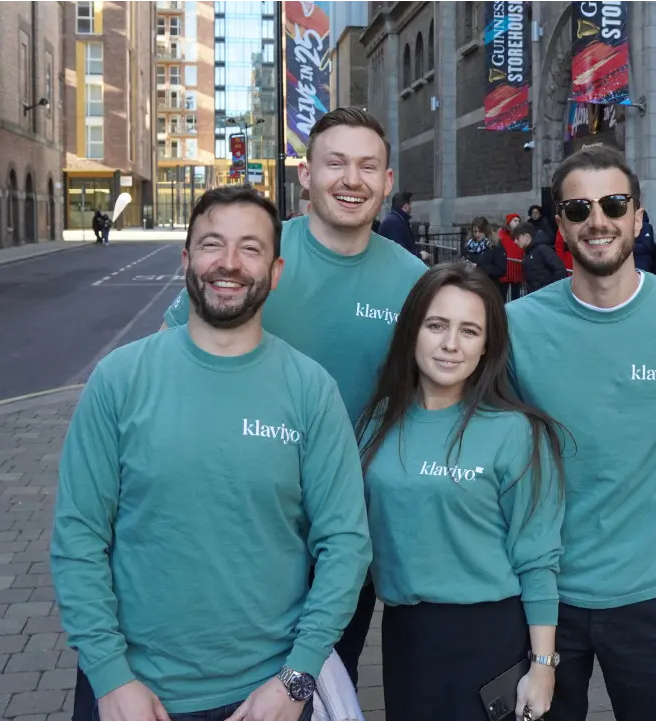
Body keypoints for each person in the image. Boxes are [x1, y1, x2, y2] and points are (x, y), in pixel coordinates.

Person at [52, 185, 371, 721]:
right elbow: (78, 537)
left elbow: (345, 545)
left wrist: (297, 680)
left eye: (250, 248)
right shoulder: (119, 379)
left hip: (264, 695)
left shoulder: (310, 390)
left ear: (275, 271)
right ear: (186, 260)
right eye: (211, 244)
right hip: (131, 694)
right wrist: (109, 677)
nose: (229, 263)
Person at [160, 106, 427, 688]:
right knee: (233, 684)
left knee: (324, 684)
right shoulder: (254, 258)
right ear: (306, 174)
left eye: (367, 167)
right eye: (335, 163)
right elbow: (173, 366)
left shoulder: (414, 281)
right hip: (239, 523)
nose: (351, 180)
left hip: (345, 538)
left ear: (386, 182)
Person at [506, 145, 656, 721]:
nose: (597, 220)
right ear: (560, 224)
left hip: (652, 594)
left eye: (613, 203)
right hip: (544, 595)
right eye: (578, 208)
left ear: (638, 215)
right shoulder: (517, 328)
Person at [355, 262, 567, 721]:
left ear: (487, 345)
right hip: (406, 636)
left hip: (490, 639)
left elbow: (537, 557)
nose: (451, 344)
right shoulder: (377, 425)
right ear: (412, 331)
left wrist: (543, 665)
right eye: (437, 325)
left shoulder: (515, 432)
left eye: (469, 331)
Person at [514, 221, 565, 294]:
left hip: (546, 296)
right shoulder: (528, 252)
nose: (515, 242)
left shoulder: (543, 249)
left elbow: (559, 270)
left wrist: (552, 290)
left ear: (526, 237)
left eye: (517, 238)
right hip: (535, 295)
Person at [378, 191, 419, 257]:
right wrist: (420, 255)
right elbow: (400, 251)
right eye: (410, 204)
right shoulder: (395, 222)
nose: (411, 207)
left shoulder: (396, 219)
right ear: (405, 206)